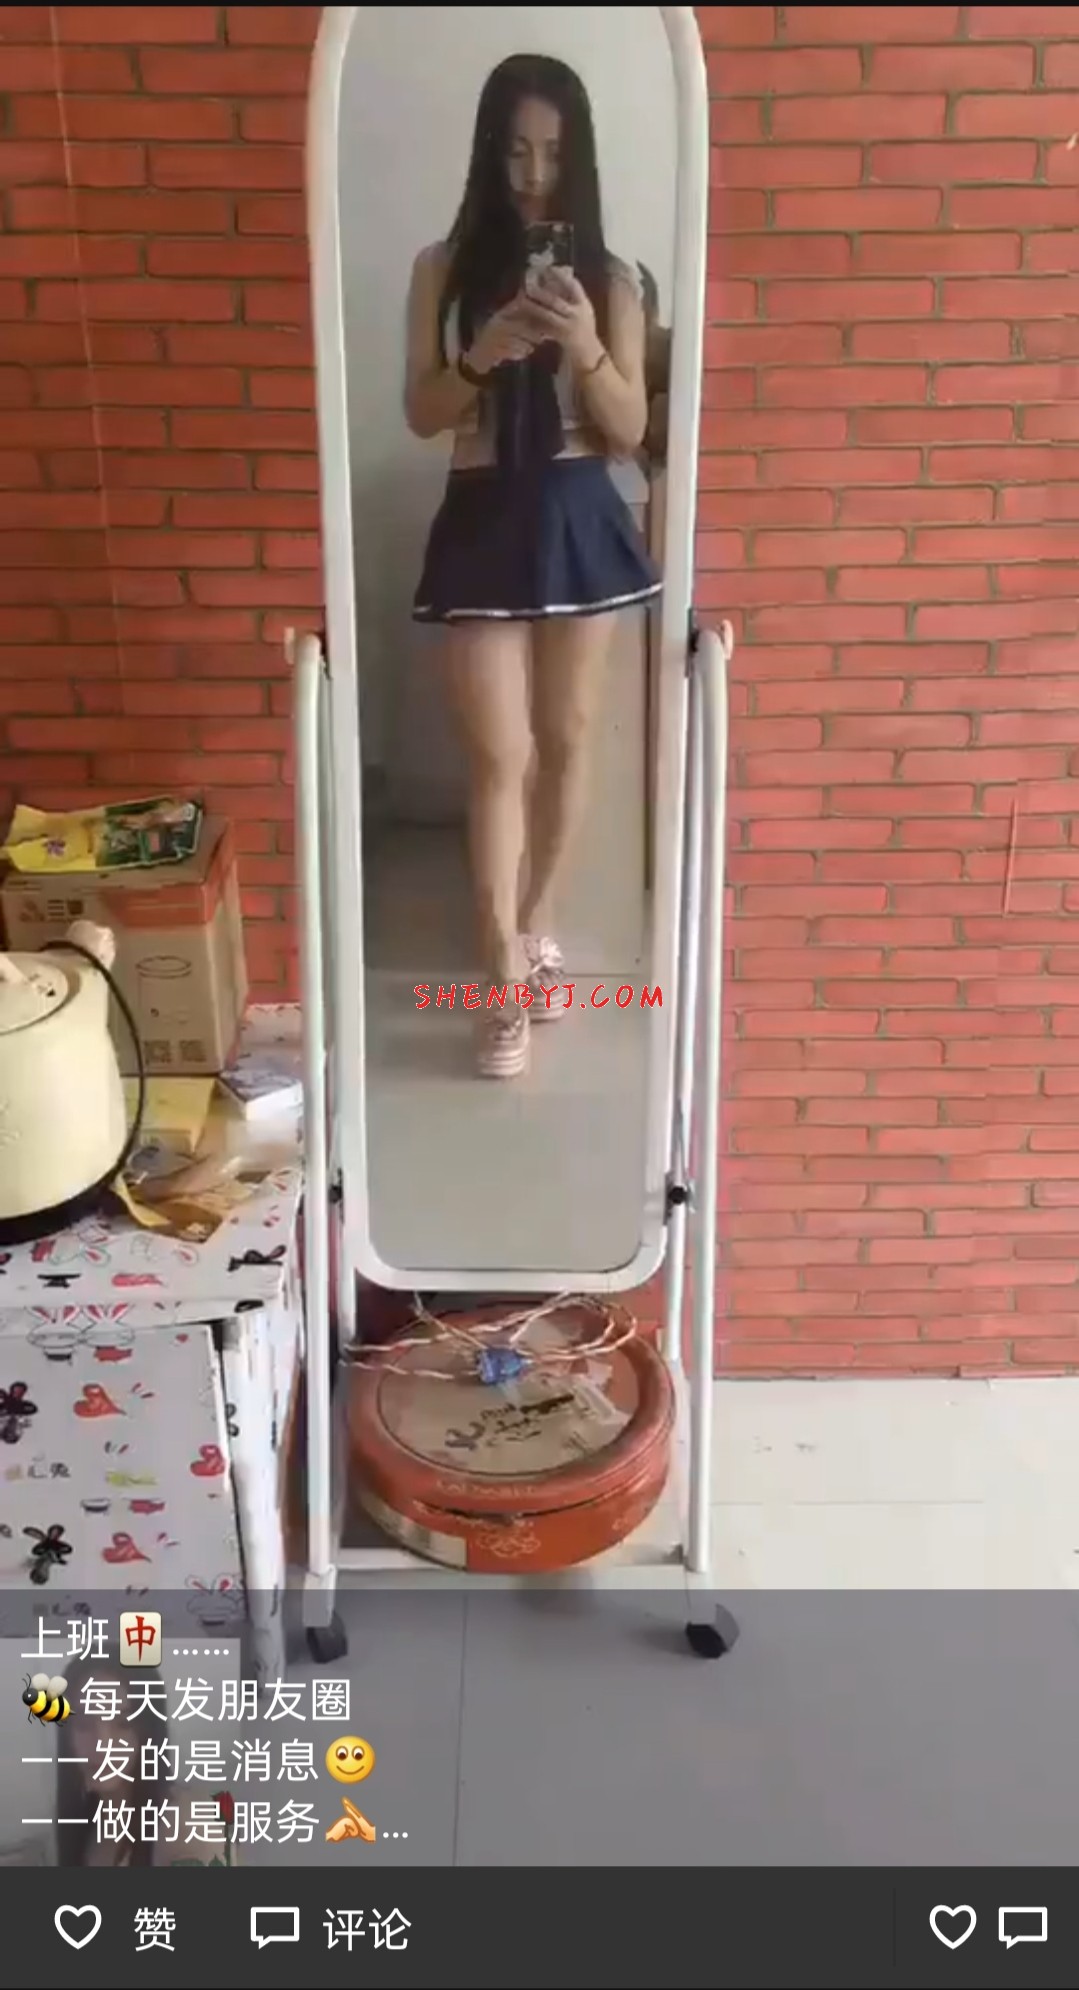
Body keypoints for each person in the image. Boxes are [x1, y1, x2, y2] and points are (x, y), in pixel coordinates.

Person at [404, 52, 661, 1079]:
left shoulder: (615, 276)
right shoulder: (442, 267)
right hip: (481, 508)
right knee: (498, 754)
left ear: (578, 156)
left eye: (552, 152)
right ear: (487, 151)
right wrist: (484, 352)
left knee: (564, 737)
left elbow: (628, 427)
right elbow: (421, 413)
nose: (533, 174)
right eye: (514, 151)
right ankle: (498, 967)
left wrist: (586, 345)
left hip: (574, 506)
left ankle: (536, 918)